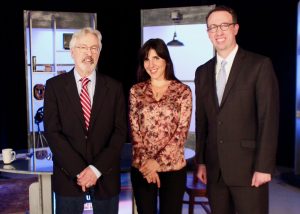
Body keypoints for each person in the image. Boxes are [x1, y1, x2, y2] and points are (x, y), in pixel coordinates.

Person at [194, 5, 279, 214]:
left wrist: (264, 167)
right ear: (207, 33)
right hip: (215, 170)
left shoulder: (259, 65)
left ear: (236, 28)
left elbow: (268, 118)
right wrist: (201, 161)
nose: (218, 32)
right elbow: (202, 120)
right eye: (212, 27)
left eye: (224, 25)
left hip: (249, 168)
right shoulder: (202, 72)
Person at [44, 27, 127, 214]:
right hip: (68, 177)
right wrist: (81, 171)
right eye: (83, 47)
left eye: (94, 48)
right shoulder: (54, 87)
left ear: (99, 52)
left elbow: (120, 132)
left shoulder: (114, 88)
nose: (89, 53)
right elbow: (52, 132)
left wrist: (96, 170)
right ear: (72, 52)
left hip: (105, 175)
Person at [129, 38, 192, 214]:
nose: (151, 64)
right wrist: (147, 165)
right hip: (143, 167)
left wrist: (156, 163)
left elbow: (181, 133)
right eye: (147, 59)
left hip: (173, 167)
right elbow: (135, 131)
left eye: (156, 58)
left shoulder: (183, 91)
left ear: (166, 59)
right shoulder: (136, 91)